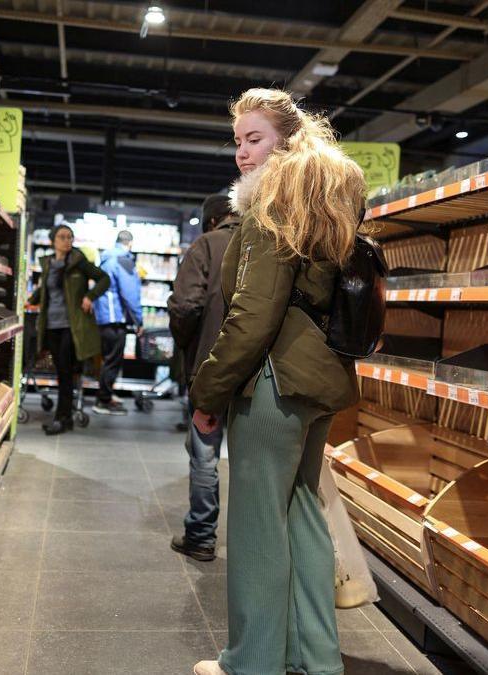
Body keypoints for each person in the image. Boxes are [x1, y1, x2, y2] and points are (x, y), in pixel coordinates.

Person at [189, 89, 366, 675]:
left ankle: (251, 663)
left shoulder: (274, 204)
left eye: (254, 138)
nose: (242, 153)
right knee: (303, 516)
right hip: (319, 382)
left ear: (286, 139)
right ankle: (316, 660)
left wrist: (208, 393)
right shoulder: (325, 201)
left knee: (258, 528)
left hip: (272, 383)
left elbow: (253, 315)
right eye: (238, 141)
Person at [167, 195, 240, 562]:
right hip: (257, 372)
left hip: (209, 368)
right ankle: (252, 544)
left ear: (211, 220)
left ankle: (201, 536)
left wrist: (187, 345)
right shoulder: (264, 244)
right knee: (249, 459)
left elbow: (185, 306)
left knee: (204, 452)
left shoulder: (206, 245)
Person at [28, 224, 110, 436]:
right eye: (62, 237)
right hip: (51, 325)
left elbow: (104, 279)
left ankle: (61, 418)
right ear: (53, 240)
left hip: (71, 327)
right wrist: (30, 301)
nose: (67, 240)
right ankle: (66, 417)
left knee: (65, 372)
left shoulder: (78, 261)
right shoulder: (48, 263)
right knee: (61, 372)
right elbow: (45, 289)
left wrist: (89, 297)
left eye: (70, 237)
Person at [93, 230, 143, 415]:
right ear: (130, 243)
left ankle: (106, 395)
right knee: (113, 360)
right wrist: (139, 319)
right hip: (115, 318)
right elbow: (130, 293)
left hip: (104, 316)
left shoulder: (106, 258)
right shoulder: (123, 259)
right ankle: (103, 401)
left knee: (108, 359)